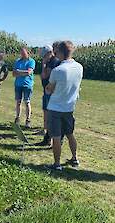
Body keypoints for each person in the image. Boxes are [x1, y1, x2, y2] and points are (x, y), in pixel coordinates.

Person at [45, 41, 83, 171]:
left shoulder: (58, 70)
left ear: (60, 53)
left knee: (56, 136)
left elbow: (49, 89)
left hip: (55, 108)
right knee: (70, 134)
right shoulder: (79, 67)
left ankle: (57, 164)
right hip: (69, 107)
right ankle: (75, 158)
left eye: (57, 52)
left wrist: (48, 88)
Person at [36, 45, 60, 146]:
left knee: (50, 114)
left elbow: (44, 75)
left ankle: (49, 138)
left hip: (50, 92)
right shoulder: (50, 61)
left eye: (44, 55)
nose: (43, 58)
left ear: (50, 53)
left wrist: (43, 65)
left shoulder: (53, 62)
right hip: (46, 90)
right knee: (46, 112)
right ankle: (45, 131)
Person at [13, 48, 36, 128]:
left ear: (27, 53)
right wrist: (23, 72)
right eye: (21, 53)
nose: (22, 54)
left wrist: (19, 71)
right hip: (18, 84)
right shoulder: (17, 61)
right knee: (18, 102)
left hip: (27, 85)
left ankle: (28, 120)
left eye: (24, 53)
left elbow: (29, 72)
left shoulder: (31, 61)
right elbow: (14, 74)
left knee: (27, 102)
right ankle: (17, 118)